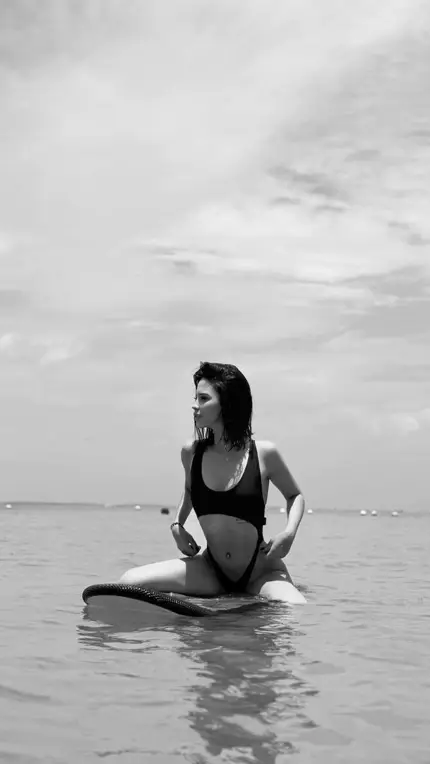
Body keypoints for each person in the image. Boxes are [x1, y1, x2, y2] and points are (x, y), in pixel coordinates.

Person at [120, 362, 306, 604]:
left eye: (203, 398)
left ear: (227, 403)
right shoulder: (191, 453)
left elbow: (294, 496)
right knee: (128, 582)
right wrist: (177, 524)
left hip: (261, 572)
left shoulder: (263, 454)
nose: (194, 405)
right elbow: (189, 490)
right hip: (211, 570)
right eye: (195, 398)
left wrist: (289, 534)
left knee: (294, 608)